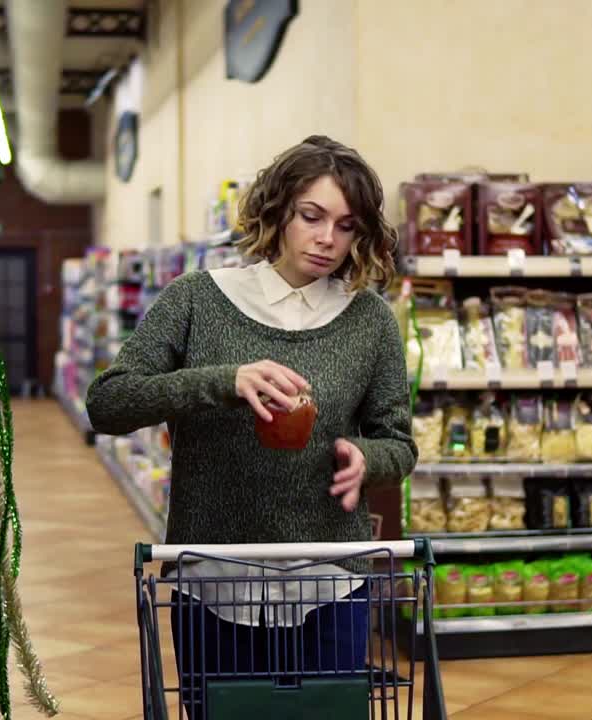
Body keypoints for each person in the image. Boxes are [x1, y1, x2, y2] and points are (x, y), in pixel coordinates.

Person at [85, 135, 416, 716]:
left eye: (346, 226)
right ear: (277, 210)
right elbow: (109, 403)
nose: (326, 239)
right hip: (214, 582)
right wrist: (223, 381)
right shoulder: (195, 300)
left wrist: (369, 461)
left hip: (331, 582)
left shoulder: (370, 321)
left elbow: (398, 442)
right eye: (311, 217)